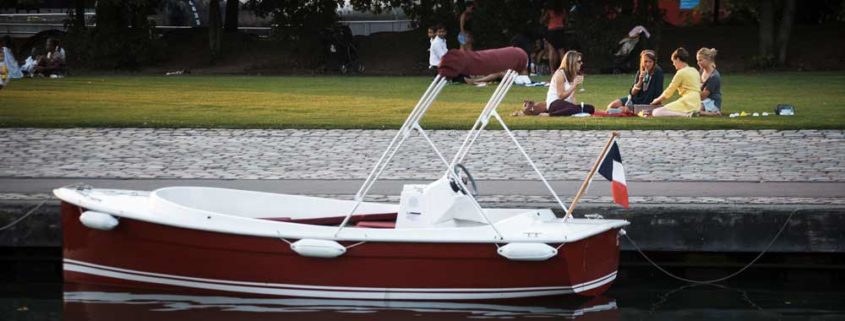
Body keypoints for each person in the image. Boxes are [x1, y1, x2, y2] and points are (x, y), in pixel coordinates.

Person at [517, 50, 594, 117]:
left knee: (590, 108)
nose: (581, 63)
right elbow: (561, 96)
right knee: (574, 109)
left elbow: (572, 97)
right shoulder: (560, 74)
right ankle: (550, 114)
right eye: (579, 61)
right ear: (571, 63)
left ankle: (569, 111)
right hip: (554, 103)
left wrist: (573, 104)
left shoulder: (573, 75)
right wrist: (574, 85)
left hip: (565, 104)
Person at [649, 47, 701, 117]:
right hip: (697, 103)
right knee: (664, 109)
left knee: (656, 112)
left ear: (678, 59)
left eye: (673, 61)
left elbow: (669, 92)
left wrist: (656, 100)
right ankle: (689, 113)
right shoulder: (694, 70)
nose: (673, 64)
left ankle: (686, 115)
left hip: (688, 102)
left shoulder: (681, 73)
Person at [437, 46, 528, 83]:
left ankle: (477, 80)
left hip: (516, 78)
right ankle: (476, 79)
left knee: (497, 73)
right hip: (514, 75)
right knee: (497, 72)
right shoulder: (519, 62)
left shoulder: (522, 72)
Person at [541, 0, 567, 72]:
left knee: (552, 51)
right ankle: (564, 70)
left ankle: (552, 70)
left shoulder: (550, 11)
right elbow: (565, 20)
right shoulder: (562, 11)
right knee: (561, 51)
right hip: (560, 31)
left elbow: (543, 20)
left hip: (552, 31)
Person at [697, 47, 722, 116]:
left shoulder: (714, 76)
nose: (698, 63)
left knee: (693, 109)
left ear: (708, 60)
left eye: (700, 60)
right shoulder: (701, 71)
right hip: (703, 100)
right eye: (697, 60)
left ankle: (714, 113)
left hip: (711, 102)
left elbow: (703, 96)